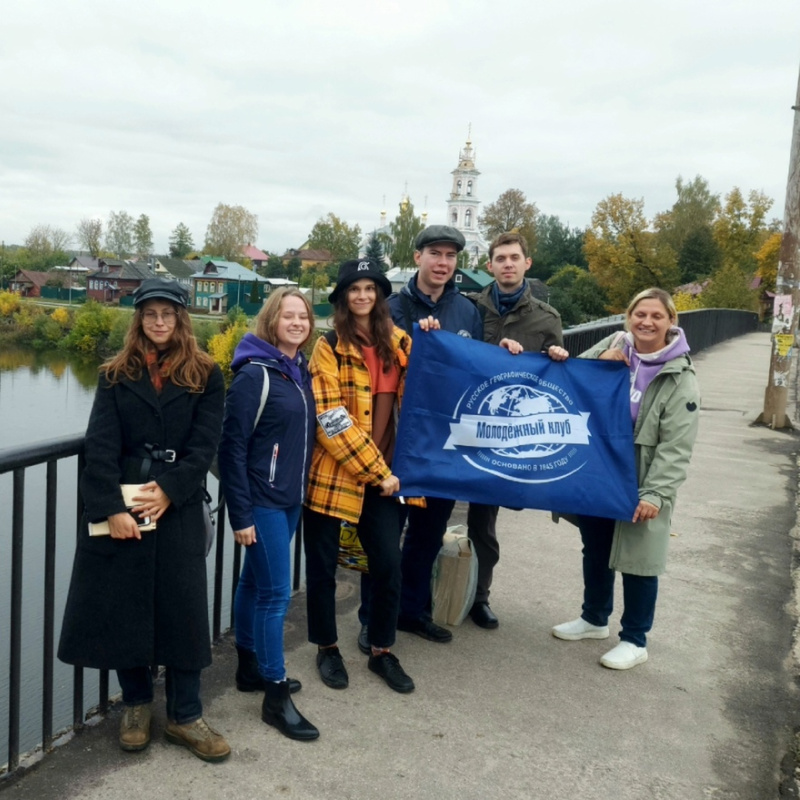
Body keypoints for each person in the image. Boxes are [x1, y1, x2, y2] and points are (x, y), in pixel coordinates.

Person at [58, 278, 230, 762]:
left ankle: (185, 715)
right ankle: (136, 706)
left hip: (178, 504)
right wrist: (110, 508)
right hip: (126, 500)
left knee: (184, 610)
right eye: (150, 313)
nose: (159, 321)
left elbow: (205, 445)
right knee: (125, 606)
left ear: (180, 318)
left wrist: (171, 490)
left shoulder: (206, 373)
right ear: (139, 319)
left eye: (167, 313)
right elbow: (100, 446)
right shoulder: (115, 374)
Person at [551, 287, 700, 670]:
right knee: (596, 548)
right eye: (639, 314)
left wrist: (655, 494)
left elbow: (676, 446)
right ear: (628, 317)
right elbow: (570, 376)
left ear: (671, 321)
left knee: (639, 560)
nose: (646, 322)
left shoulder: (679, 376)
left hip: (641, 479)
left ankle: (635, 639)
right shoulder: (616, 343)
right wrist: (599, 360)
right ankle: (594, 618)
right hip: (600, 472)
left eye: (656, 316)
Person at [303, 258, 420, 693]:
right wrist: (376, 470)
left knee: (388, 564)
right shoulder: (329, 346)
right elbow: (330, 418)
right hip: (335, 475)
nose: (363, 296)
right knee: (322, 568)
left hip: (386, 479)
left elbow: (441, 380)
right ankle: (327, 647)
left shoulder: (403, 342)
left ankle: (381, 649)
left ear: (380, 295)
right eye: (354, 289)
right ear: (343, 297)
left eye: (370, 288)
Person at [217, 288, 318, 741]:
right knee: (277, 594)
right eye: (288, 315)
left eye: (303, 316)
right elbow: (231, 448)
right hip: (261, 500)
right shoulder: (254, 374)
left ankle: (249, 668)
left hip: (289, 497)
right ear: (271, 320)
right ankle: (275, 694)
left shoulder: (298, 370)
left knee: (253, 583)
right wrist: (240, 515)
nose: (297, 323)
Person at [465, 232, 568, 629]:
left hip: (503, 434)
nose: (507, 264)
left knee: (484, 523)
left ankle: (479, 596)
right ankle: (424, 593)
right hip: (461, 422)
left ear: (527, 263)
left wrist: (557, 356)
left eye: (514, 258)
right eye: (500, 258)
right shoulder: (468, 308)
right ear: (489, 265)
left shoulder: (546, 318)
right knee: (432, 513)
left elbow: (554, 382)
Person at [387, 225, 483, 644]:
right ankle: (375, 616)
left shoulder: (467, 311)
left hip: (444, 443)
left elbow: (478, 369)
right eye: (435, 254)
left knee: (427, 534)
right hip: (398, 440)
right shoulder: (391, 308)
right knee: (384, 536)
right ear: (418, 257)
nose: (443, 263)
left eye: (450, 256)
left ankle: (411, 611)